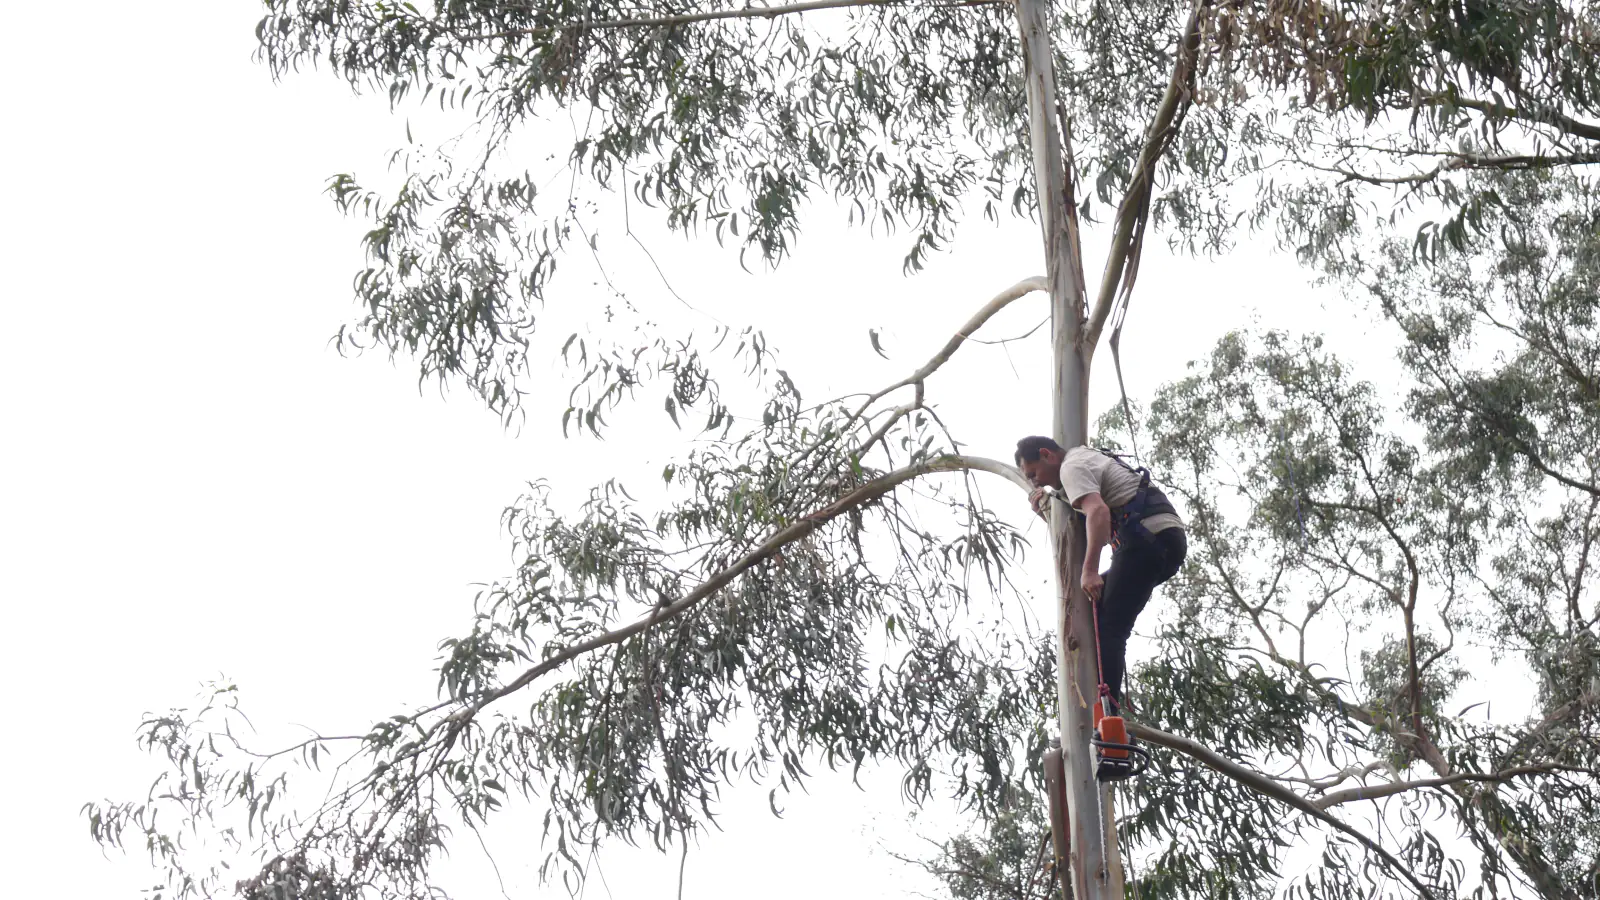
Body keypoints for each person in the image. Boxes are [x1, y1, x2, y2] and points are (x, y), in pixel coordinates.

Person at [1014, 436, 1187, 713]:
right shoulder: (1082, 464)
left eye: (1034, 473)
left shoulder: (1072, 466)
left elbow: (1098, 512)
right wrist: (1045, 511)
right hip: (1159, 541)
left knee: (1109, 627)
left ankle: (1109, 713)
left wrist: (1090, 570)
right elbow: (1082, 530)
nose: (1036, 481)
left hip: (1147, 539)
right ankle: (1108, 705)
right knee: (1091, 607)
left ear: (1047, 454)